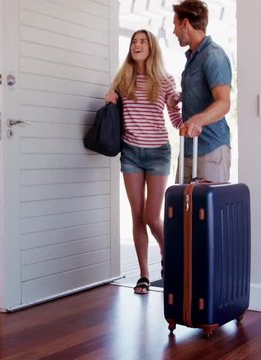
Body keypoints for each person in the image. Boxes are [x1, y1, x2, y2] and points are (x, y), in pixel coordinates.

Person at [104, 29, 182, 294]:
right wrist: (109, 101)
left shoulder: (165, 80)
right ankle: (144, 275)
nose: (137, 45)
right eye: (134, 42)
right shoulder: (122, 79)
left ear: (152, 48)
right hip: (131, 154)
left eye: (142, 42)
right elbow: (112, 113)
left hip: (159, 152)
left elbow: (175, 121)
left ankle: (167, 251)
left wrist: (187, 112)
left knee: (152, 216)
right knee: (137, 216)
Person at [171, 0, 233, 183]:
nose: (174, 31)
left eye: (175, 25)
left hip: (210, 149)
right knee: (181, 209)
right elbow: (202, 91)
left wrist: (198, 119)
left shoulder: (213, 56)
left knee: (208, 210)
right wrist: (181, 97)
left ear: (185, 23)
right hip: (188, 148)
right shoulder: (193, 57)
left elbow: (223, 102)